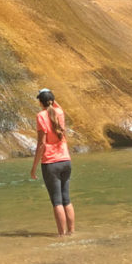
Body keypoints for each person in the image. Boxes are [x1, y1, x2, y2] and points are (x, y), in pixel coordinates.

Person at [30, 88, 75, 236]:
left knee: (57, 201)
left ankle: (61, 235)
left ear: (40, 102)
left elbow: (42, 144)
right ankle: (71, 232)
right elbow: (55, 105)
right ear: (52, 100)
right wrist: (49, 94)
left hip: (51, 163)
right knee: (66, 199)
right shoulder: (60, 112)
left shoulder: (41, 116)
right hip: (66, 160)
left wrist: (34, 167)